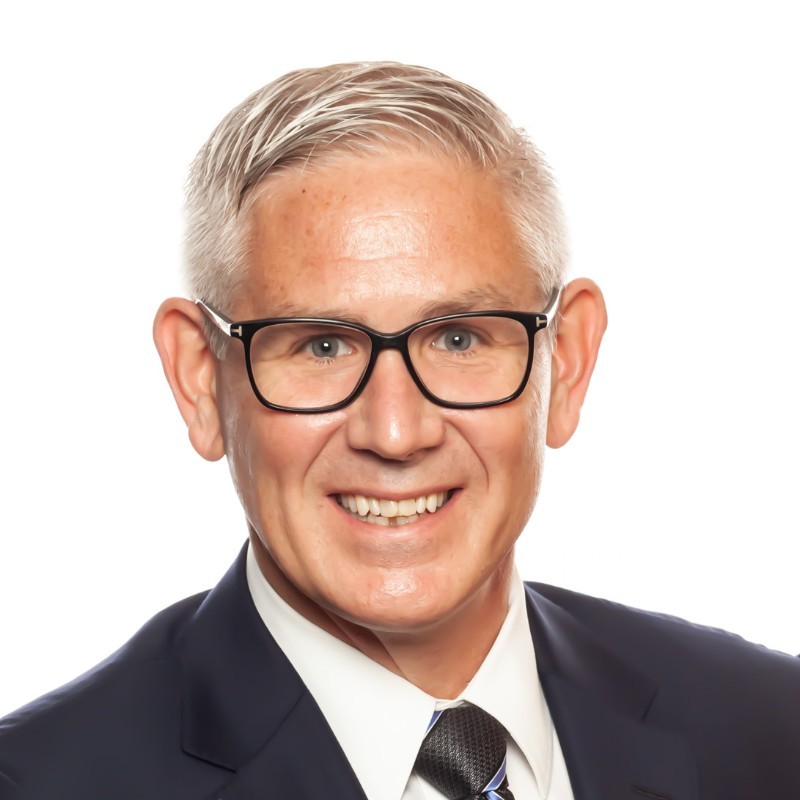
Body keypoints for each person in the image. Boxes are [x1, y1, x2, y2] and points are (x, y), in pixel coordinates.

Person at [0, 61, 798, 800]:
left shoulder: (770, 727)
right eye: (322, 346)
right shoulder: (42, 781)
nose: (394, 432)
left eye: (459, 338)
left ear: (568, 364)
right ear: (200, 379)